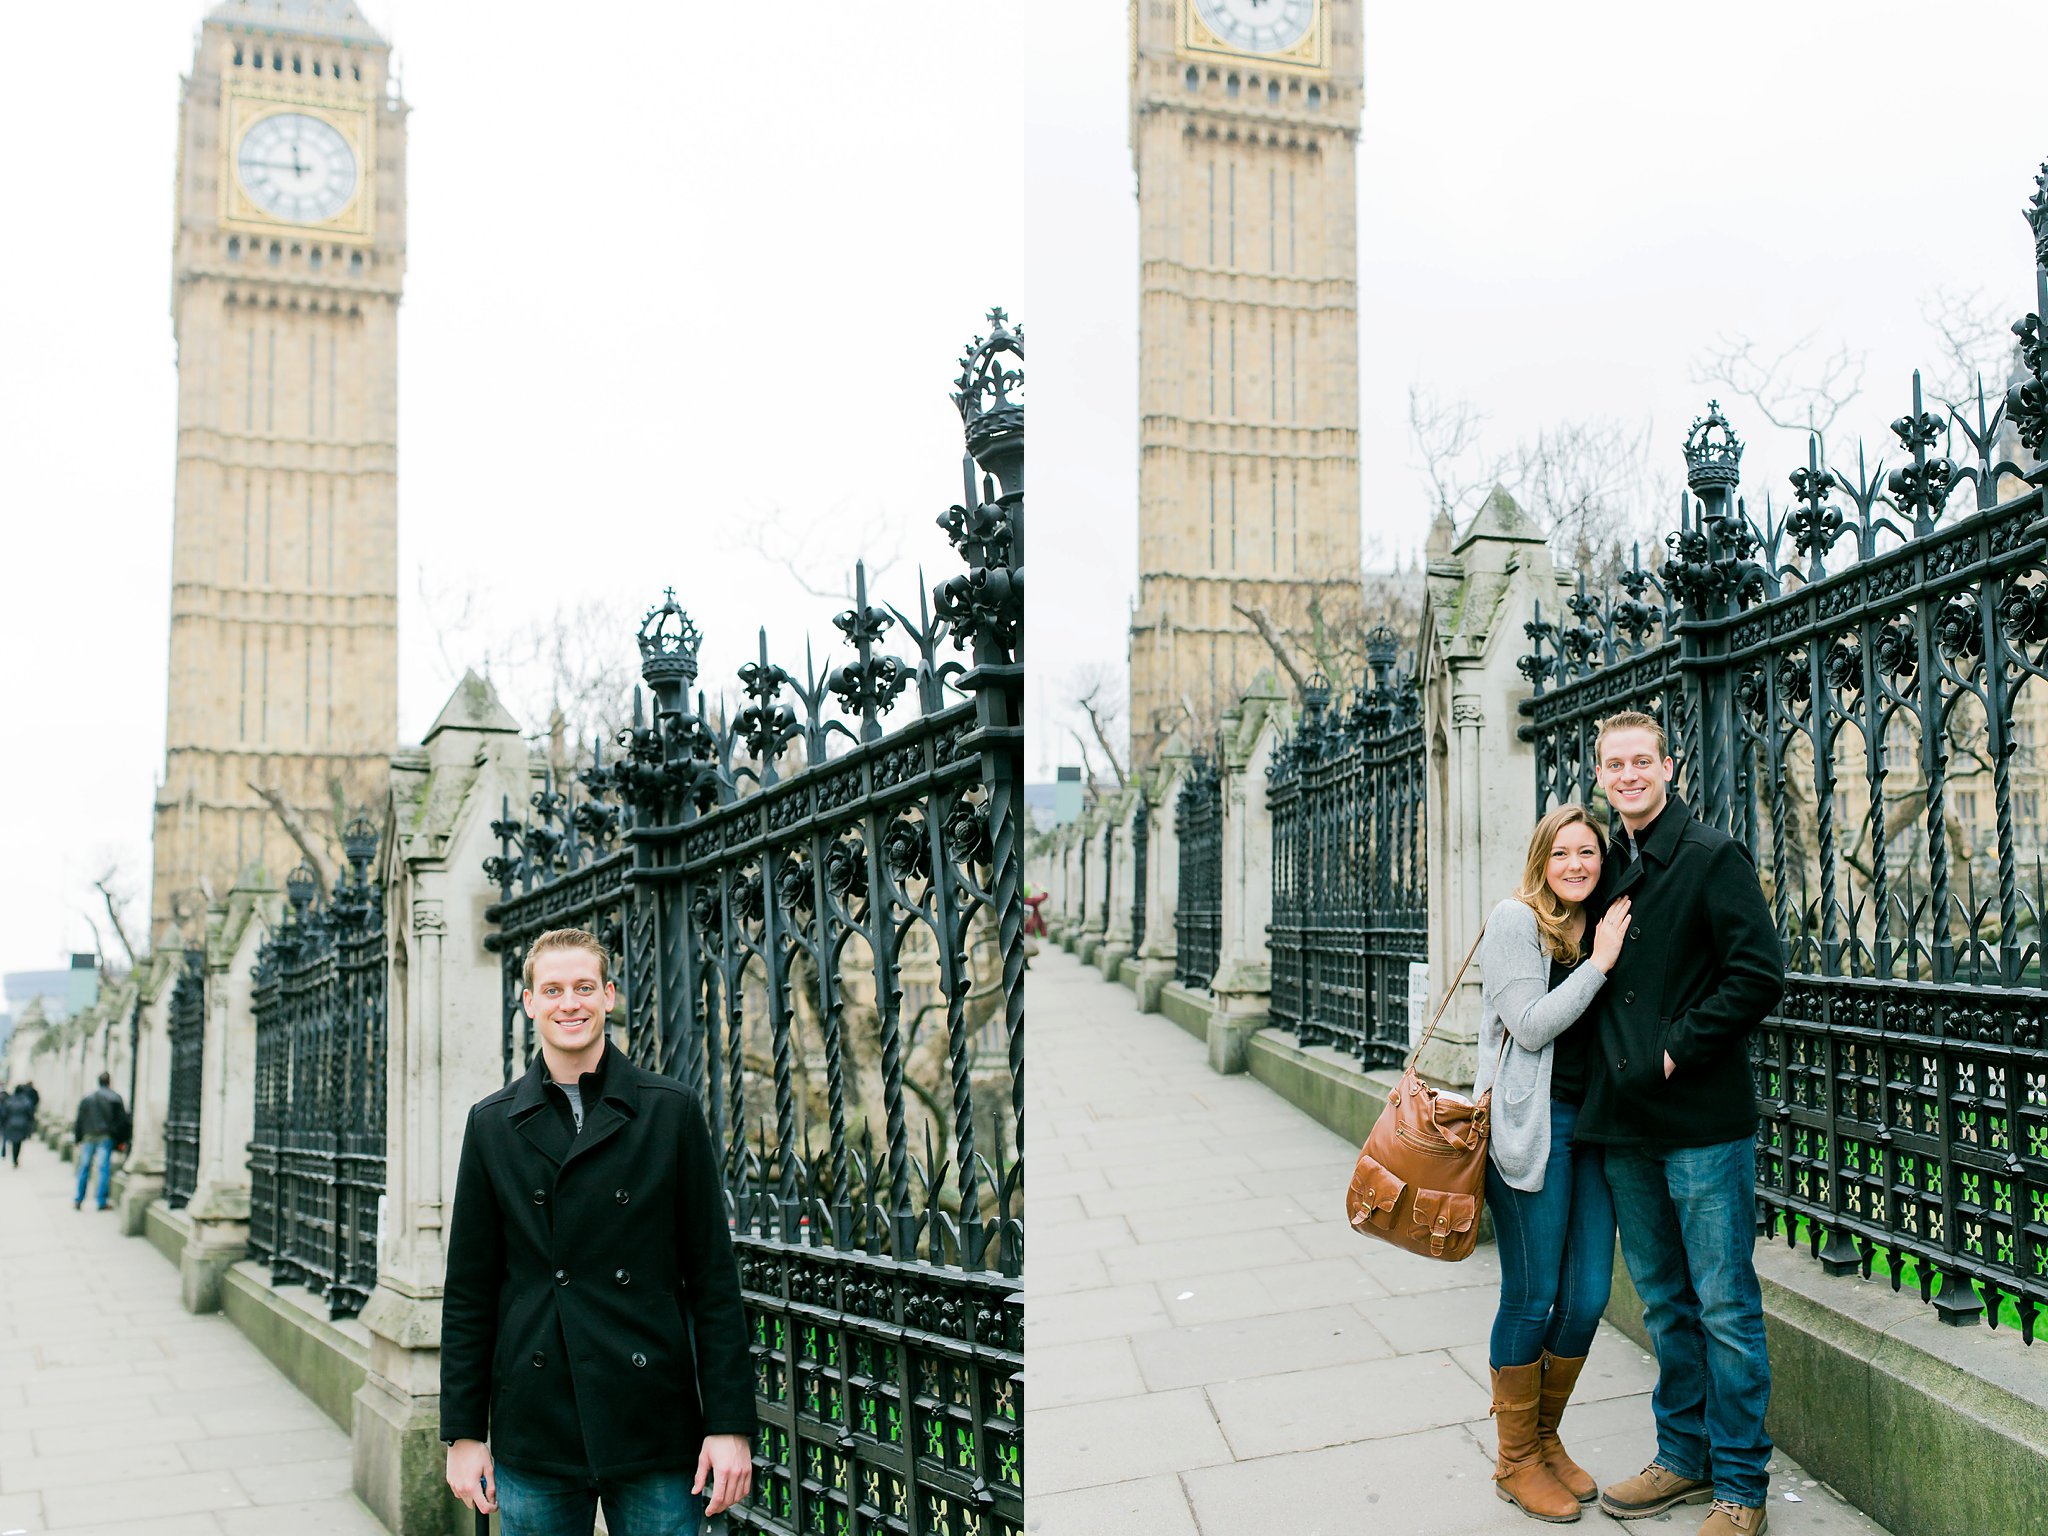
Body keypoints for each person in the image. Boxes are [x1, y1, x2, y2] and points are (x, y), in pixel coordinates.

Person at [441, 927, 756, 1536]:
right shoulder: (492, 1125)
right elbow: (470, 1293)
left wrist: (729, 1426)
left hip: (654, 1424)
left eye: (584, 987)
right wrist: (462, 1434)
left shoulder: (670, 1110)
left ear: (609, 996)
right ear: (529, 1002)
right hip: (536, 1426)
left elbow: (713, 1280)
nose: (570, 1003)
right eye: (553, 989)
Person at [1577, 711, 1784, 1536]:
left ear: (1670, 767)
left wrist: (1673, 1053)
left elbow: (1758, 974)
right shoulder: (1606, 862)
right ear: (1601, 776)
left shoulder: (1709, 856)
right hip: (1627, 1126)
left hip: (1699, 1119)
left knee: (1725, 1305)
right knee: (1665, 1303)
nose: (1628, 775)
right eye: (1613, 765)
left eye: (1641, 761)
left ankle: (1741, 1488)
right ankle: (1682, 1458)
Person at [1475, 803, 1633, 1522]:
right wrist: (1600, 964)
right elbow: (1531, 1027)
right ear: (1541, 860)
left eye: (1588, 853)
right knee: (1531, 1298)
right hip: (1528, 1130)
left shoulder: (1602, 919)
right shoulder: (1517, 921)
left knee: (1589, 1295)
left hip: (1593, 1132)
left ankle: (1543, 1437)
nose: (1576, 864)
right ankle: (1514, 1461)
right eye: (1562, 852)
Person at [72, 1072, 129, 1210]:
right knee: (103, 1168)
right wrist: (121, 1140)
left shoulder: (88, 1098)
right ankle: (101, 1201)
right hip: (105, 1136)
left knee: (84, 1167)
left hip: (89, 1136)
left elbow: (79, 1120)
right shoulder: (115, 1098)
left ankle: (79, 1199)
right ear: (110, 1082)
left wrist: (78, 1138)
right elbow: (122, 1121)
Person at [2, 1082, 38, 1166]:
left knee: (12, 1141)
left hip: (10, 1124)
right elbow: (30, 1114)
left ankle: (11, 1157)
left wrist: (4, 1122)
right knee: (18, 1143)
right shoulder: (26, 1101)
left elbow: (4, 1113)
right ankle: (15, 1158)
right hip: (22, 1125)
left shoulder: (9, 1100)